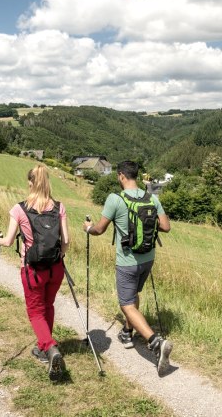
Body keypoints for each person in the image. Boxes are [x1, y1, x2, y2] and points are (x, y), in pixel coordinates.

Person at [82, 160, 172, 376]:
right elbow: (166, 227)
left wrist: (88, 228)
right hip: (147, 258)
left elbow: (100, 230)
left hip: (128, 261)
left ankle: (155, 342)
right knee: (134, 296)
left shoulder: (115, 199)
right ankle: (127, 332)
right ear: (136, 176)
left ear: (121, 176)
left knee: (126, 304)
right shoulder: (151, 198)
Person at [0, 164, 70, 381]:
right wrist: (60, 256)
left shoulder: (19, 209)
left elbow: (8, 241)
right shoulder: (59, 207)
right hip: (55, 269)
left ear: (30, 183)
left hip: (32, 270)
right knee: (48, 305)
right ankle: (43, 347)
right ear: (47, 182)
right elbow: (66, 242)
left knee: (35, 311)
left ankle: (50, 348)